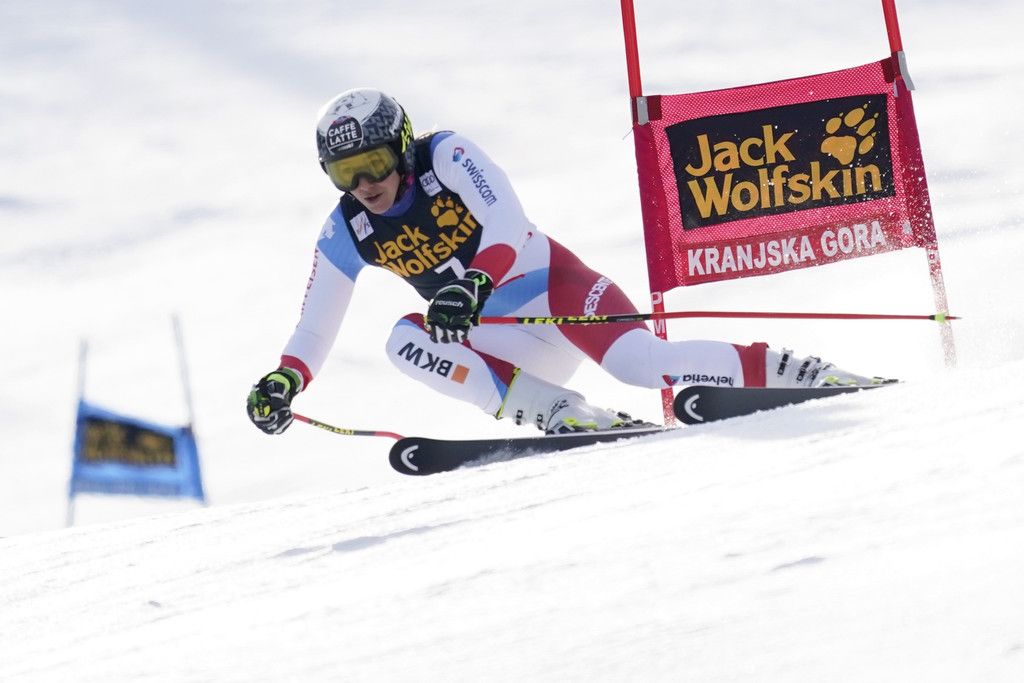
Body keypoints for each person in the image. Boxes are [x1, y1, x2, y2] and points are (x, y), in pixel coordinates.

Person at [247, 88, 887, 436]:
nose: (365, 184)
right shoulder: (346, 228)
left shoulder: (446, 156)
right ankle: (557, 411)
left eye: (374, 164)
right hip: (504, 345)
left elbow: (508, 221)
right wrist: (286, 380)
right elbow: (315, 327)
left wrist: (476, 282)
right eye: (345, 173)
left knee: (643, 365)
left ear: (403, 146)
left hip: (555, 291)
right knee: (401, 341)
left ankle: (799, 371)